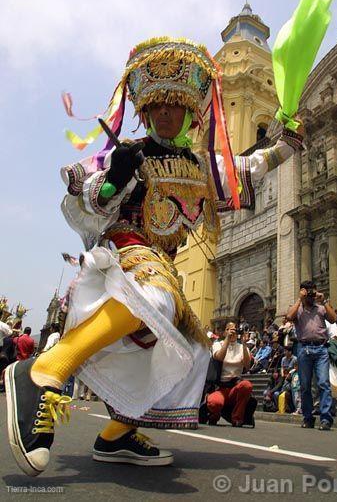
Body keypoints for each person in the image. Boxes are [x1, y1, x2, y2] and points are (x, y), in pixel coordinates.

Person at [5, 36, 304, 477]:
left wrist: (287, 142)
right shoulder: (128, 153)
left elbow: (249, 168)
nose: (165, 114)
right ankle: (43, 371)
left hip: (161, 264)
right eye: (157, 107)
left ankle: (117, 435)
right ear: (144, 112)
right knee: (158, 300)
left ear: (189, 111)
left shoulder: (201, 166)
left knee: (182, 350)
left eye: (174, 106)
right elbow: (87, 199)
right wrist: (116, 177)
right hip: (126, 253)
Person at [287, 280, 337, 430]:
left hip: (321, 349)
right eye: (307, 291)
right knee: (305, 386)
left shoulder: (321, 308)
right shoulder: (298, 309)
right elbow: (289, 316)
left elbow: (333, 319)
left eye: (312, 291)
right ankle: (308, 418)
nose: (310, 294)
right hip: (304, 349)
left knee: (323, 383)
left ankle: (326, 419)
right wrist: (299, 299)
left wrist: (324, 301)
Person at [207, 322, 253, 426]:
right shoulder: (218, 344)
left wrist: (244, 344)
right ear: (224, 332)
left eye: (234, 330)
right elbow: (219, 357)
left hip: (235, 387)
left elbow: (247, 365)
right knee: (214, 403)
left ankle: (237, 418)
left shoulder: (242, 347)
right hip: (221, 387)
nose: (232, 333)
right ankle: (214, 414)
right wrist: (227, 340)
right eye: (228, 329)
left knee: (247, 385)